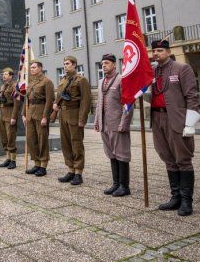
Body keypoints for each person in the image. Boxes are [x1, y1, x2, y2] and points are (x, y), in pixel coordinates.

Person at [150, 39, 200, 216]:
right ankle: (175, 197)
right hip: (157, 117)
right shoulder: (152, 71)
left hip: (176, 119)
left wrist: (190, 122)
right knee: (168, 157)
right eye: (154, 51)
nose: (155, 54)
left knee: (183, 159)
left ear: (168, 52)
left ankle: (187, 201)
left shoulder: (182, 68)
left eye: (159, 51)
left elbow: (192, 96)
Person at [94, 54, 133, 196]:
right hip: (105, 124)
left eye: (107, 63)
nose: (104, 65)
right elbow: (99, 103)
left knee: (121, 154)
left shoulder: (121, 80)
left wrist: (124, 123)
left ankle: (124, 185)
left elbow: (128, 103)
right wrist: (97, 121)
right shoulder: (101, 81)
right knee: (111, 153)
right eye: (102, 63)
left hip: (117, 123)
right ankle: (116, 183)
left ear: (114, 65)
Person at [52, 56, 91, 186]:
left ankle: (78, 173)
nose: (65, 66)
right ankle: (70, 170)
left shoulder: (81, 80)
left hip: (75, 114)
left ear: (74, 65)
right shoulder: (63, 80)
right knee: (66, 143)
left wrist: (82, 119)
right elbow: (59, 97)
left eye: (67, 64)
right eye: (64, 64)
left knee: (76, 143)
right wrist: (55, 105)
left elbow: (86, 101)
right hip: (63, 114)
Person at [22, 61, 54, 177]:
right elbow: (27, 100)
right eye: (31, 68)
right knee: (31, 140)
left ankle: (43, 165)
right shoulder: (30, 83)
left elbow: (50, 101)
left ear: (40, 68)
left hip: (41, 112)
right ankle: (36, 163)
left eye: (34, 67)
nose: (32, 69)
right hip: (30, 113)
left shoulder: (47, 82)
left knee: (42, 140)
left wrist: (45, 116)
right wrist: (24, 114)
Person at [0, 67, 20, 169]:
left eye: (5, 74)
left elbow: (17, 104)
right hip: (2, 113)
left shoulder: (14, 87)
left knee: (10, 137)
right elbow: (1, 99)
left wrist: (14, 117)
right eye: (3, 74)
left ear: (11, 76)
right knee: (3, 137)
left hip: (10, 112)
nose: (3, 76)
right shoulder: (3, 86)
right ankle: (8, 158)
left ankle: (13, 160)